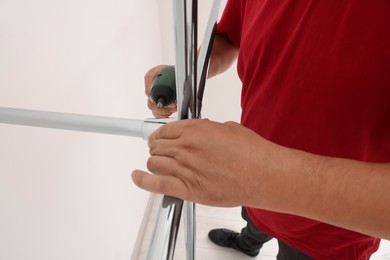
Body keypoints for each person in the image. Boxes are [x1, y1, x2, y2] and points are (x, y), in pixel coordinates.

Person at [133, 1, 390, 259]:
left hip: (327, 231)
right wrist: (188, 76)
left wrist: (258, 174)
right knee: (254, 221)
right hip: (248, 178)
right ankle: (248, 244)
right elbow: (231, 37)